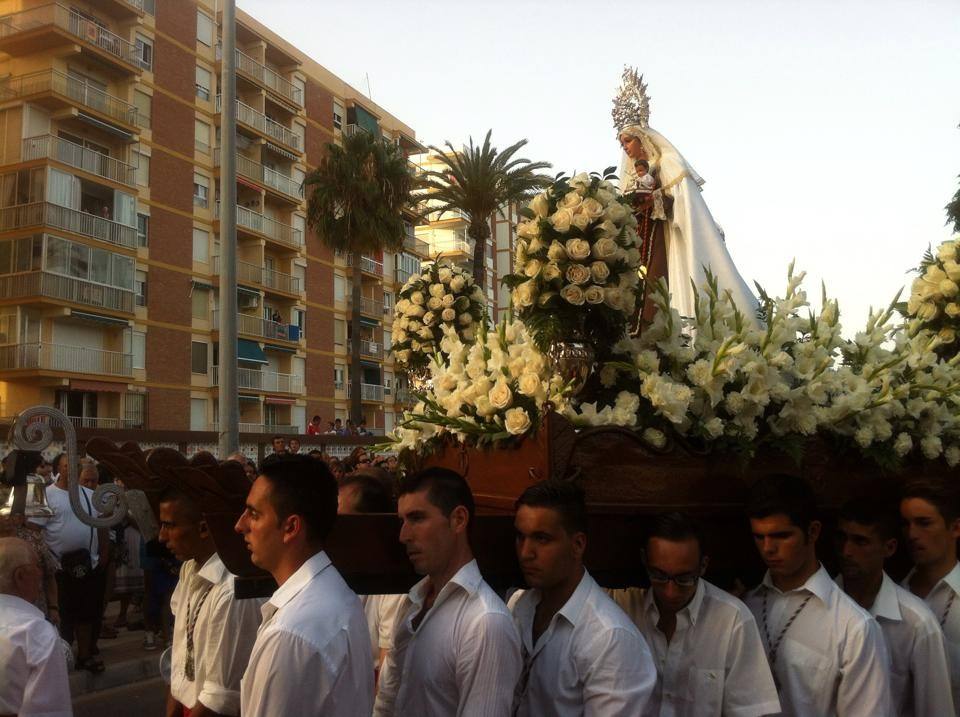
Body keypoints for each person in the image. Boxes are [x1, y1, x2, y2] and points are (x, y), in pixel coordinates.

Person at [613, 67, 758, 325]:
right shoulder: (627, 177)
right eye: (622, 144)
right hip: (639, 240)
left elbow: (683, 205)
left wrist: (654, 200)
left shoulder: (667, 163)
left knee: (659, 288)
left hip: (665, 239)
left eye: (628, 141)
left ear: (641, 138)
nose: (625, 148)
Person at [374, 468, 521, 716]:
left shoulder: (485, 623)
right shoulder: (413, 602)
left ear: (458, 520)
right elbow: (388, 700)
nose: (403, 535)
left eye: (417, 518)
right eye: (402, 521)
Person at [744, 474, 893, 716]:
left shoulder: (853, 626)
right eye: (759, 537)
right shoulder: (745, 607)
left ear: (813, 532)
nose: (768, 548)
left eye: (782, 536)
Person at [235, 454, 373, 716]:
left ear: (291, 527)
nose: (240, 525)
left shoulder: (291, 632)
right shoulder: (337, 595)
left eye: (253, 514)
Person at [610, 512, 780, 717]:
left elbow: (751, 711)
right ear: (644, 562)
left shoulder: (732, 620)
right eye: (659, 576)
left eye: (684, 579)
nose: (670, 591)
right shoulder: (623, 608)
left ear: (703, 566)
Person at [509, 480, 656, 715]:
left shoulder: (609, 638)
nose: (526, 553)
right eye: (520, 537)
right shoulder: (519, 606)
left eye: (542, 539)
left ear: (577, 545)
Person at [836, 497, 954, 716]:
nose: (847, 551)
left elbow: (936, 709)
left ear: (889, 548)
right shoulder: (818, 607)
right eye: (842, 538)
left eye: (860, 541)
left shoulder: (917, 624)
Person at [160, 488, 262, 717]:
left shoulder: (231, 590)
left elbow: (220, 698)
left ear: (204, 528)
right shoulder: (189, 568)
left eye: (170, 525)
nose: (161, 536)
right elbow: (180, 650)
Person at [31, 452, 109, 672]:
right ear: (58, 469)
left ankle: (84, 656)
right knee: (62, 617)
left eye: (74, 466)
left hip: (87, 566)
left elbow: (101, 523)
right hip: (58, 568)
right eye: (66, 466)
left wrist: (103, 553)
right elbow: (35, 530)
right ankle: (60, 660)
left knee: (86, 615)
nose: (70, 469)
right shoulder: (46, 495)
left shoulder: (89, 495)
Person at [900, 477, 960, 714]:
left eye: (924, 523)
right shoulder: (893, 595)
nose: (912, 534)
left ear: (955, 528)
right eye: (906, 524)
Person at [338, 473, 403, 678]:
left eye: (341, 519)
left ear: (369, 524)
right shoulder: (336, 566)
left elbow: (386, 677)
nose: (332, 528)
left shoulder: (395, 587)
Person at [0, 537, 71, 717]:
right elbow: (49, 712)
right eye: (37, 565)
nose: (41, 573)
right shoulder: (35, 632)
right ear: (20, 576)